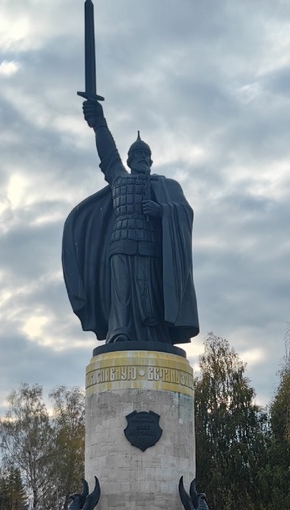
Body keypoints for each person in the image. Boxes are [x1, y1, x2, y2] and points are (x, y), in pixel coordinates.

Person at [69, 98, 198, 346]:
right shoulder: (119, 178)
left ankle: (157, 335)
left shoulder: (166, 185)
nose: (142, 158)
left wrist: (162, 211)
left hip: (151, 246)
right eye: (137, 154)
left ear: (151, 160)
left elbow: (185, 212)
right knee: (122, 292)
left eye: (146, 155)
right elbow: (108, 154)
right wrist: (99, 123)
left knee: (150, 295)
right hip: (121, 242)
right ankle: (120, 332)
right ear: (128, 160)